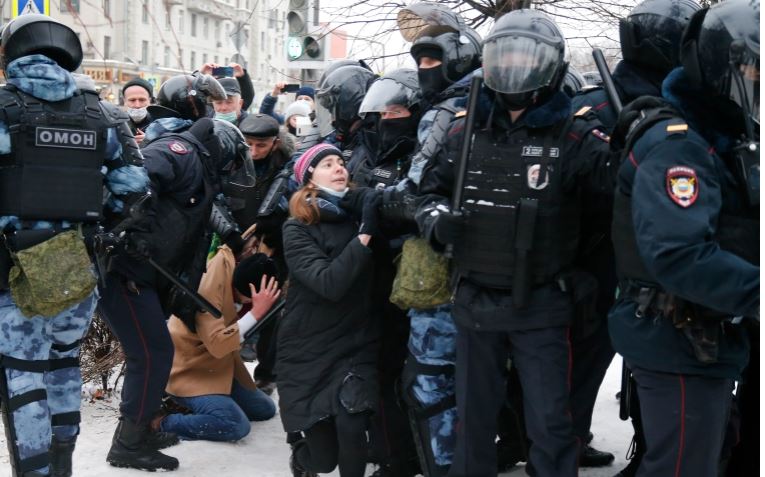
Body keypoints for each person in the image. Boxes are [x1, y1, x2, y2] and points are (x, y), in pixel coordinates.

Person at [414, 9, 615, 476]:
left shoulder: (575, 137)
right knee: (474, 421)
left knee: (550, 424)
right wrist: (435, 218)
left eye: (527, 58)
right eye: (507, 57)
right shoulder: (465, 131)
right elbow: (427, 193)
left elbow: (615, 207)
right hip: (475, 300)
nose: (515, 68)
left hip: (542, 302)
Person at [608, 0, 759, 475]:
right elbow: (680, 254)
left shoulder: (720, 135)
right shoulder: (679, 145)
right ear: (721, 67)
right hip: (676, 338)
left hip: (703, 335)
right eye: (752, 69)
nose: (757, 80)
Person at [0, 14, 149, 477]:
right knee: (63, 364)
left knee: (22, 376)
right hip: (77, 263)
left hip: (14, 269)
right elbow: (135, 187)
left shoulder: (3, 107)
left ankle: (37, 470)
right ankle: (62, 461)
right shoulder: (100, 112)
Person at [569, 1, 701, 473]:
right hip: (598, 260)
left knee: (657, 368)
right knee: (585, 365)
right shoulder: (597, 107)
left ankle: (648, 449)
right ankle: (568, 442)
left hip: (656, 264)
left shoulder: (685, 104)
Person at [98, 74, 247, 471]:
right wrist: (133, 229)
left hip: (147, 273)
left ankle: (140, 429)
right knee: (151, 354)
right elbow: (133, 184)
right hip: (129, 271)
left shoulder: (193, 154)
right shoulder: (178, 149)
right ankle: (129, 443)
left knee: (153, 354)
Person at [278, 143, 382, 477]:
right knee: (325, 459)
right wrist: (365, 234)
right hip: (310, 347)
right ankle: (304, 458)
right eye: (327, 164)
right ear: (309, 177)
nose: (339, 167)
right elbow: (328, 283)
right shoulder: (297, 227)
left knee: (353, 428)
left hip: (356, 341)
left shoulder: (360, 213)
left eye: (341, 162)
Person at [343, 68, 426, 476]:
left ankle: (406, 455)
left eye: (399, 110)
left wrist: (373, 202)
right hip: (367, 276)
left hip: (410, 277)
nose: (389, 119)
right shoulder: (364, 147)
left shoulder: (424, 148)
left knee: (405, 370)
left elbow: (415, 204)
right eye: (384, 111)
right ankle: (389, 448)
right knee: (377, 365)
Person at [160, 243, 279, 441]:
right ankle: (162, 422)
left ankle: (211, 405)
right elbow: (218, 344)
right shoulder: (209, 290)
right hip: (190, 371)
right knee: (235, 425)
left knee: (265, 409)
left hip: (219, 368)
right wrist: (256, 312)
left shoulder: (235, 267)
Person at [231, 113, 294, 392]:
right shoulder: (231, 161)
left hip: (273, 247)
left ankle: (267, 373)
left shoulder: (289, 169)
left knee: (271, 309)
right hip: (233, 243)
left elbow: (298, 209)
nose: (254, 152)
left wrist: (276, 223)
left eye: (261, 145)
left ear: (275, 143)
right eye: (249, 144)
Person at [121, 77, 154, 143]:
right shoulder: (116, 124)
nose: (137, 105)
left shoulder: (160, 125)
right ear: (124, 101)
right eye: (132, 100)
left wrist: (151, 142)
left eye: (142, 100)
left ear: (149, 100)